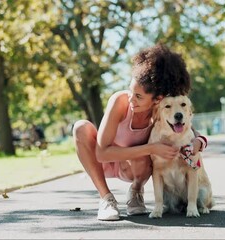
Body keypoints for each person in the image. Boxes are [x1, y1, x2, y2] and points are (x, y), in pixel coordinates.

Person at [72, 43, 208, 221]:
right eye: (130, 91)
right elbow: (101, 153)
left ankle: (136, 192)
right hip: (108, 160)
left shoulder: (161, 111)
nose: (131, 99)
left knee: (144, 155)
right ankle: (106, 199)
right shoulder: (120, 102)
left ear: (157, 99)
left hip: (136, 167)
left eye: (138, 96)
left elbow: (190, 131)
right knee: (80, 127)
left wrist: (199, 142)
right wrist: (152, 148)